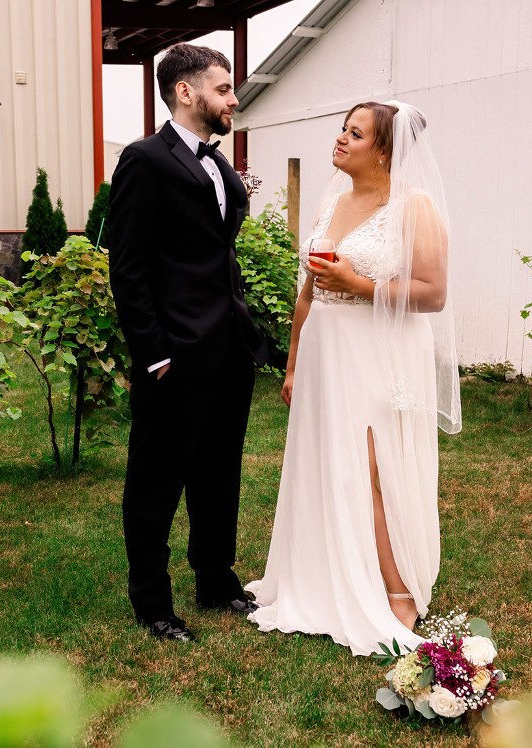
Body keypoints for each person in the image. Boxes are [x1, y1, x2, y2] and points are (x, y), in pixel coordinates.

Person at [246, 100, 461, 656]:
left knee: (374, 464)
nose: (340, 139)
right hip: (324, 348)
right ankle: (320, 573)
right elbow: (308, 290)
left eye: (356, 133)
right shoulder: (333, 202)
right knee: (326, 460)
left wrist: (358, 283)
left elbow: (433, 295)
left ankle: (398, 591)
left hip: (377, 349)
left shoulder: (414, 208)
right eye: (342, 129)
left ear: (385, 151)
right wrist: (292, 362)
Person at [109, 43, 268, 642]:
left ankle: (216, 580)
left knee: (218, 472)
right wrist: (155, 354)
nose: (233, 98)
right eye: (224, 89)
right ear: (186, 91)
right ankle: (152, 602)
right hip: (172, 357)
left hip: (228, 351)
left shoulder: (218, 165)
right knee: (156, 480)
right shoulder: (146, 160)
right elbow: (127, 268)